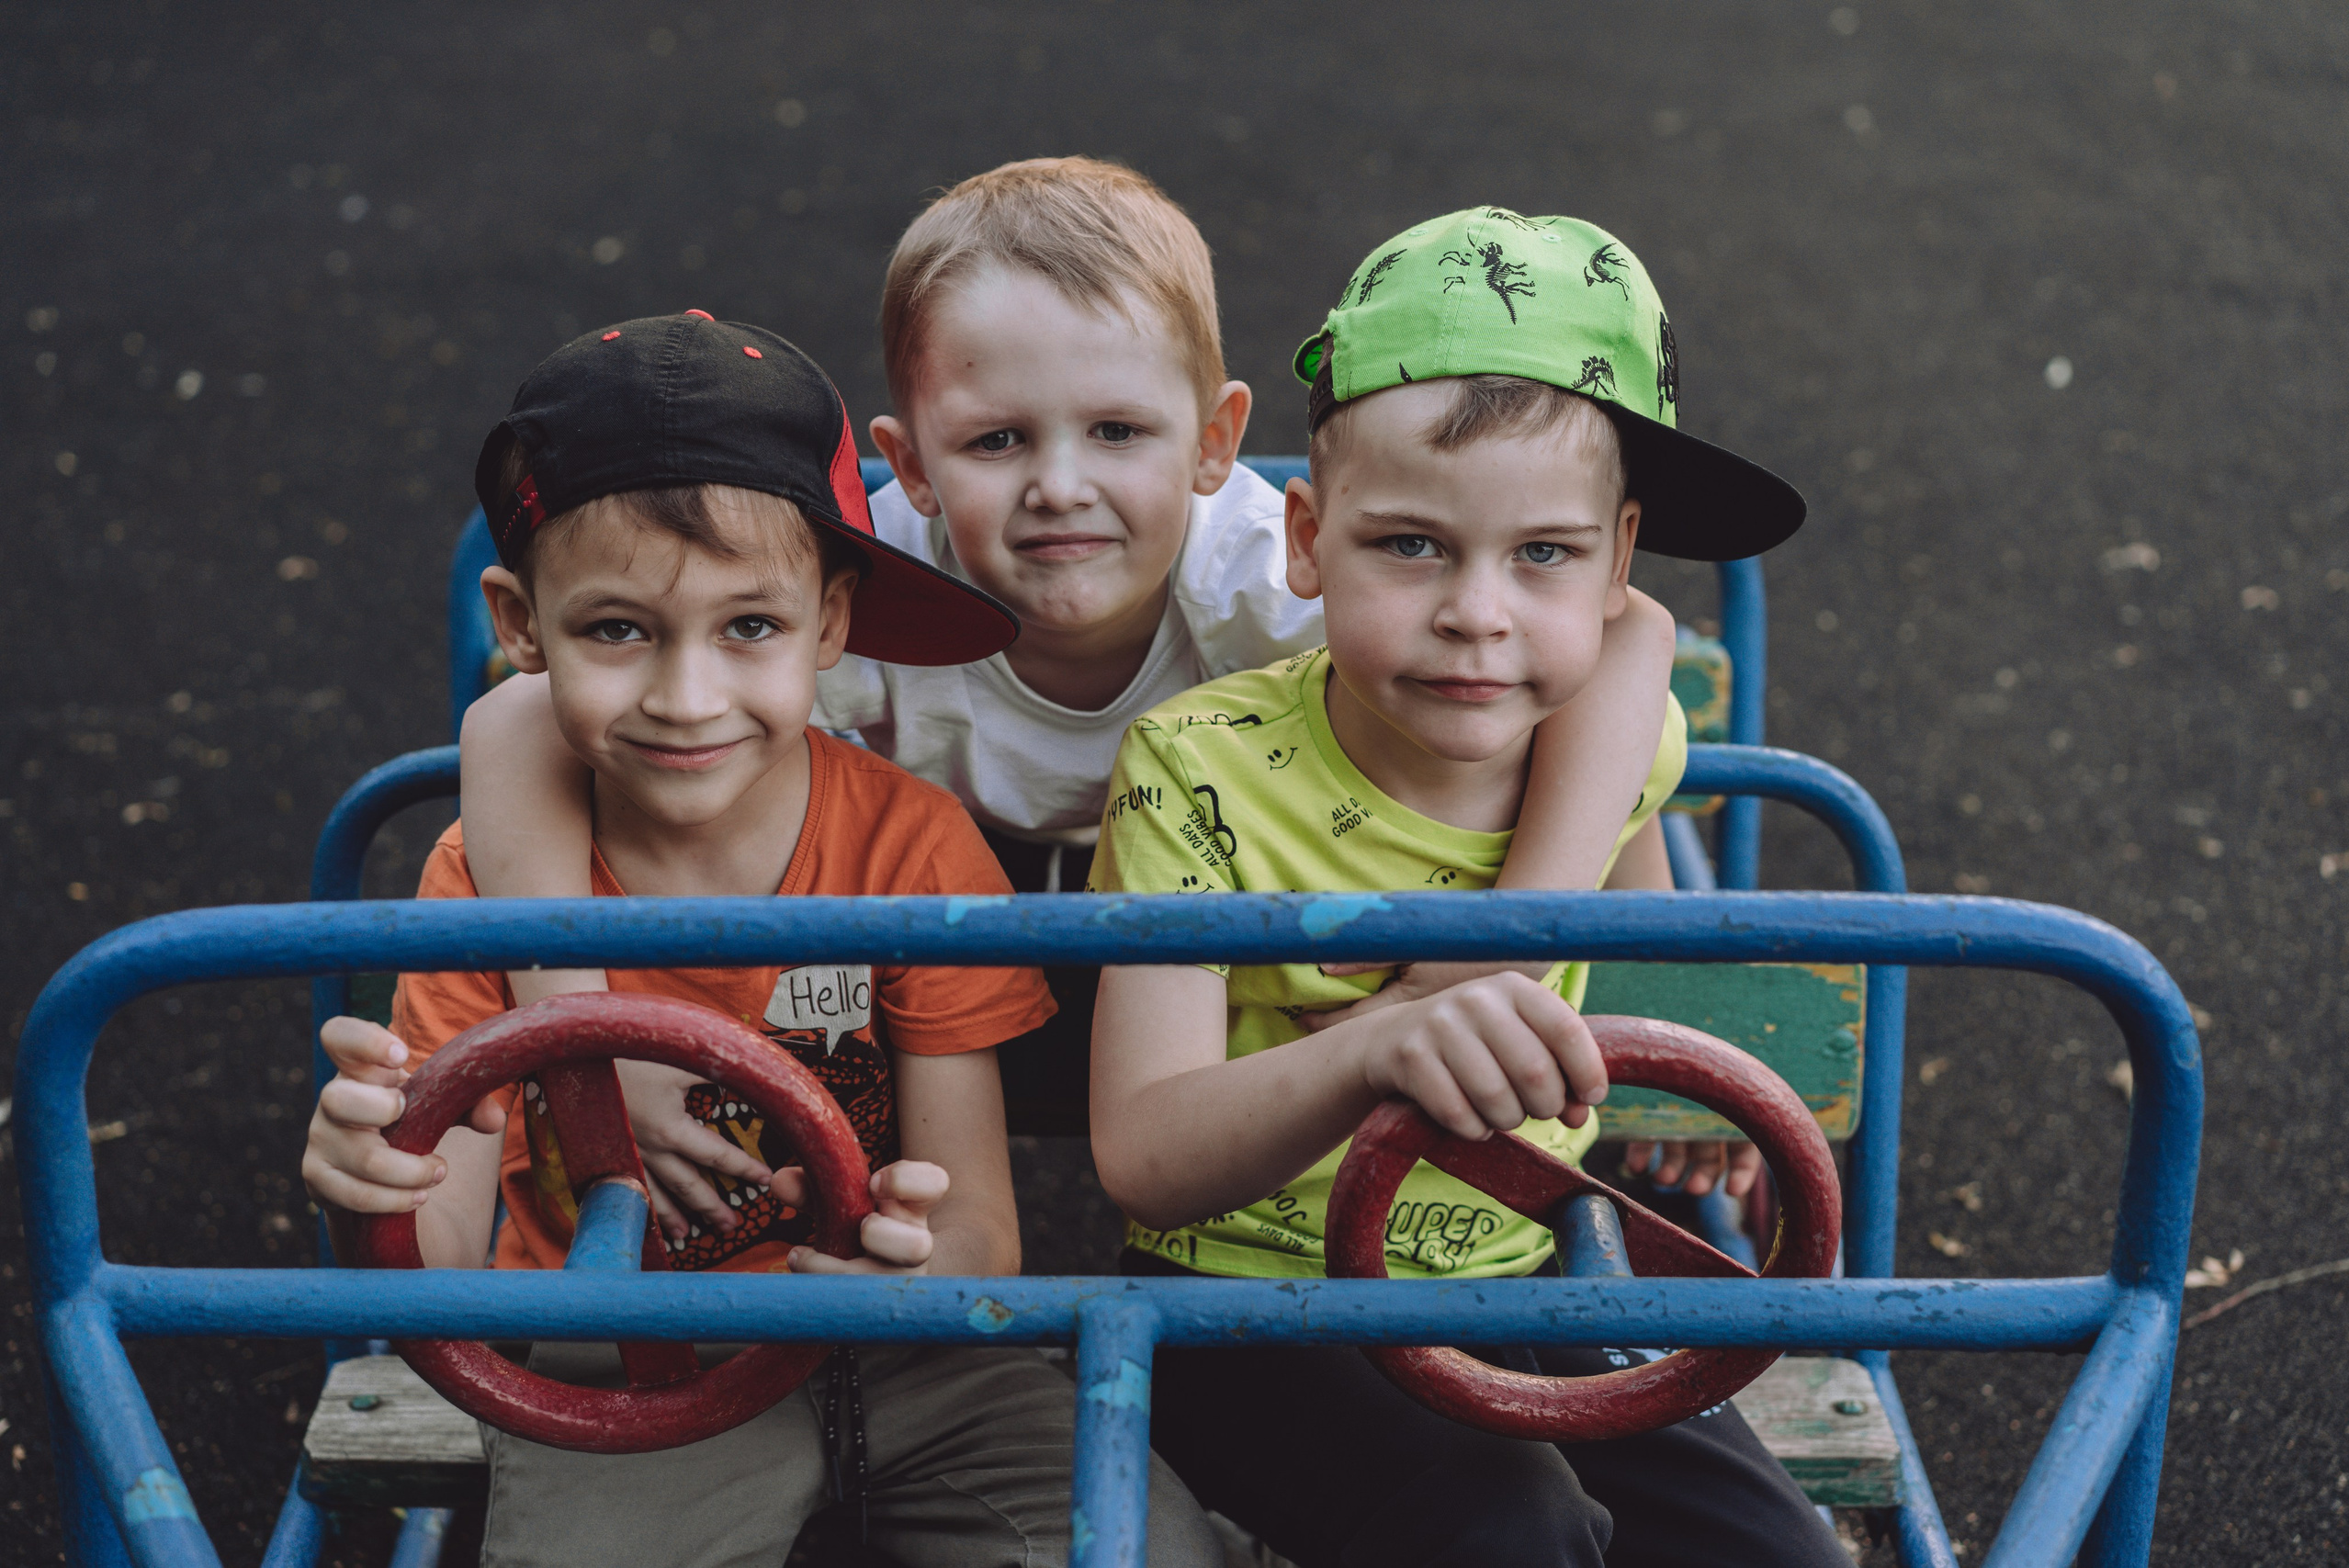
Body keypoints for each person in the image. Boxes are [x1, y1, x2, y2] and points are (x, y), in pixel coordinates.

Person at [452, 155, 1695, 1198]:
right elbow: (516, 723)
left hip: (1205, 975)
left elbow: (1627, 641)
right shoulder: (850, 608)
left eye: (1117, 431)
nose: (1060, 486)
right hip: (967, 964)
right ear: (912, 468)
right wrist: (585, 1042)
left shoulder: (1270, 581)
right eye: (998, 441)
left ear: (1214, 442)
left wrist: (1498, 950)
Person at [299, 313, 1222, 1568]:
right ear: (521, 627)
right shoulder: (479, 885)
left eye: (751, 628)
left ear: (830, 627)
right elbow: (444, 1267)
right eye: (617, 629)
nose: (687, 698)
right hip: (619, 1357)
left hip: (913, 1360)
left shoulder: (909, 848)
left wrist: (918, 1268)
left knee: (1146, 1551)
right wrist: (379, 1192)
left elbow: (979, 1234)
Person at [1086, 209, 1844, 1568]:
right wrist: (1383, 1040)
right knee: (1508, 1529)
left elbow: (1648, 957)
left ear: (1618, 563)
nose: (1477, 611)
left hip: (1521, 1275)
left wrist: (1680, 1088)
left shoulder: (1603, 750)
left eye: (1542, 554)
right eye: (1413, 548)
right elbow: (1146, 1158)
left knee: (1771, 1551)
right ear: (1308, 541)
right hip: (1249, 1304)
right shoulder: (1197, 771)